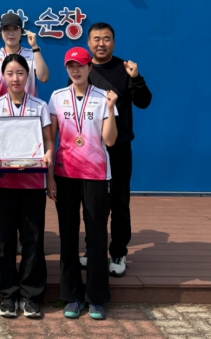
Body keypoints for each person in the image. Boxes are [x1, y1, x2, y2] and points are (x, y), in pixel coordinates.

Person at [47, 47, 118, 321]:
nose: (75, 70)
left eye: (81, 65)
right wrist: (50, 176)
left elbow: (109, 140)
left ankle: (96, 298)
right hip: (65, 174)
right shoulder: (57, 97)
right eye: (71, 66)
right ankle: (72, 296)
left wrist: (110, 109)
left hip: (96, 175)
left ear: (90, 68)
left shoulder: (103, 98)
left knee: (97, 235)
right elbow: (51, 139)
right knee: (68, 234)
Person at [0, 53, 53, 319]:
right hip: (4, 182)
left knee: (33, 239)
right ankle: (8, 294)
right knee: (4, 241)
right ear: (2, 76)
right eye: (10, 73)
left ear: (28, 75)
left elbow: (48, 141)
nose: (15, 78)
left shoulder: (39, 106)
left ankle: (31, 294)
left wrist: (48, 155)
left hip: (33, 182)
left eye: (20, 73)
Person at [81, 22, 152, 277]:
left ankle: (119, 251)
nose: (101, 43)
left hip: (119, 147)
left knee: (120, 202)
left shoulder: (125, 69)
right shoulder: (81, 69)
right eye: (96, 39)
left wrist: (137, 78)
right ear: (89, 42)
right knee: (92, 203)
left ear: (113, 41)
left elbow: (144, 102)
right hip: (92, 148)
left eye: (106, 38)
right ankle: (93, 248)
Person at [0, 12, 49, 106]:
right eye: (6, 29)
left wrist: (35, 47)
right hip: (0, 112)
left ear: (21, 31)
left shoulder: (32, 54)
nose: (11, 33)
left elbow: (44, 78)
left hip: (29, 110)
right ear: (1, 32)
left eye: (15, 29)